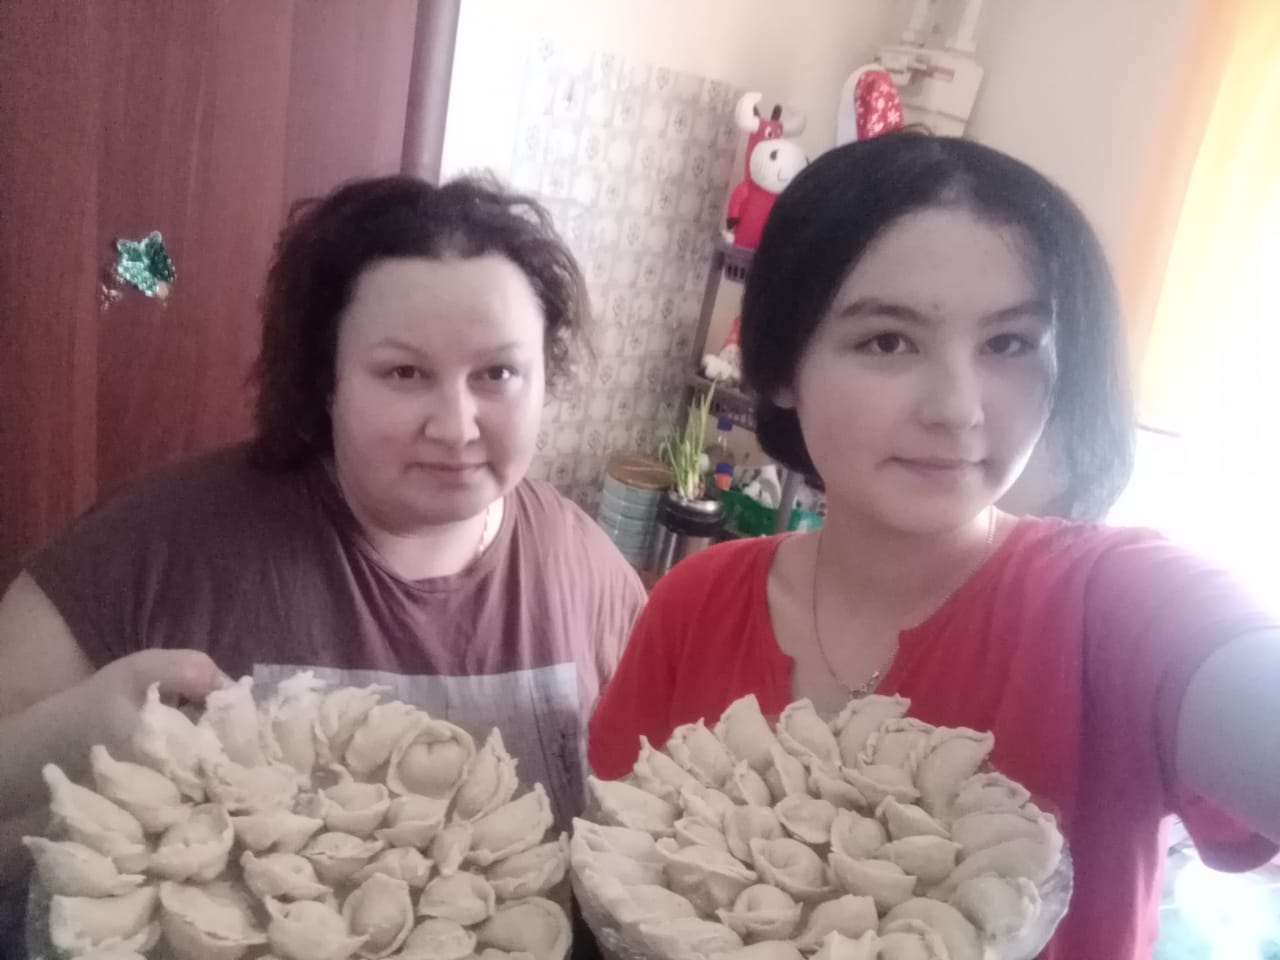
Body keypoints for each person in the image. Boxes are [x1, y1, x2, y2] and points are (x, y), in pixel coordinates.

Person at [589, 133, 1280, 959]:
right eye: (888, 340)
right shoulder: (694, 604)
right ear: (780, 368)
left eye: (1009, 343)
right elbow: (622, 881)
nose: (958, 409)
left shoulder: (1118, 607)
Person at [0, 175, 645, 892]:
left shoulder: (588, 571)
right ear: (325, 380)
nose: (456, 426)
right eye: (404, 372)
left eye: (498, 372)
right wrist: (64, 746)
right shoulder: (157, 541)